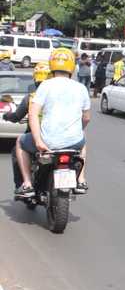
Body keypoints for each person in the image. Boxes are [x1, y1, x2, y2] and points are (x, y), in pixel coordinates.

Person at [14, 49, 91, 198]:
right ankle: (81, 179)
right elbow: (86, 118)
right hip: (74, 143)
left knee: (20, 142)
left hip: (48, 142)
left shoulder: (45, 86)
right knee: (83, 138)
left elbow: (33, 114)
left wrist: (38, 141)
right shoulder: (81, 88)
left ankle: (28, 184)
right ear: (72, 67)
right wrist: (77, 131)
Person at [4, 62, 51, 190]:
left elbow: (16, 117)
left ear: (35, 78)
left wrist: (7, 116)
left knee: (16, 150)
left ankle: (23, 184)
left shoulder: (31, 98)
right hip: (60, 138)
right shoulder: (61, 96)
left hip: (38, 138)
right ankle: (80, 180)